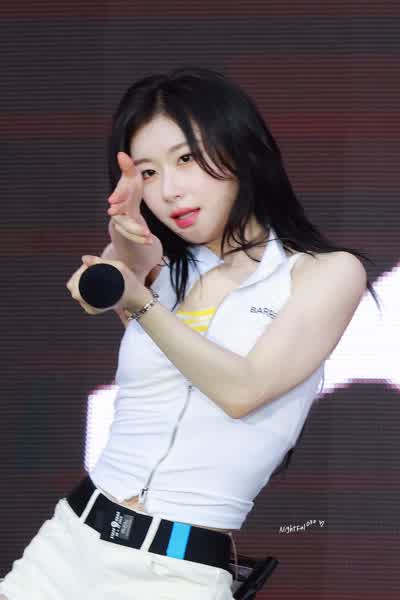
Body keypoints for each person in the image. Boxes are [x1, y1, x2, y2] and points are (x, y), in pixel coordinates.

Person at [0, 66, 381, 600]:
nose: (170, 190)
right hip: (68, 545)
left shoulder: (324, 272)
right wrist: (124, 240)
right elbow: (111, 278)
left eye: (185, 159)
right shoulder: (166, 270)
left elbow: (243, 390)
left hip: (176, 574)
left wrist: (141, 301)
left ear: (240, 149)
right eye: (149, 172)